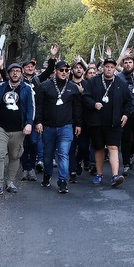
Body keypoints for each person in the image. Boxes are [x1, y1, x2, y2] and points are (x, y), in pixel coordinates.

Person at [0, 62, 35, 197]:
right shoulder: (1, 87)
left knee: (15, 156)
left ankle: (10, 182)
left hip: (19, 129)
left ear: (21, 73)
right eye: (12, 71)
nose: (15, 73)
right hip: (1, 127)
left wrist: (29, 123)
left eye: (17, 71)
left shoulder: (27, 89)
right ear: (8, 73)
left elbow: (31, 108)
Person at [82, 57, 131, 187]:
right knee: (99, 149)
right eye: (107, 66)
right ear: (103, 68)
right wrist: (93, 104)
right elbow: (85, 97)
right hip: (96, 122)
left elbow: (128, 102)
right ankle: (99, 174)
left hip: (114, 123)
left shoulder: (121, 83)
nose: (109, 69)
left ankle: (115, 175)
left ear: (115, 69)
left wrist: (126, 114)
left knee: (113, 147)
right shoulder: (93, 82)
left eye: (112, 67)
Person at [35, 60, 83, 193]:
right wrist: (38, 122)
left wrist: (78, 124)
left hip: (66, 126)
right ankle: (47, 174)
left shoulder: (73, 87)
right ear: (55, 71)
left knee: (63, 153)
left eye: (66, 70)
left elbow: (77, 108)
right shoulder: (45, 86)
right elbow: (39, 106)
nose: (64, 73)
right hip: (48, 127)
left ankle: (62, 180)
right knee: (48, 154)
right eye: (61, 70)